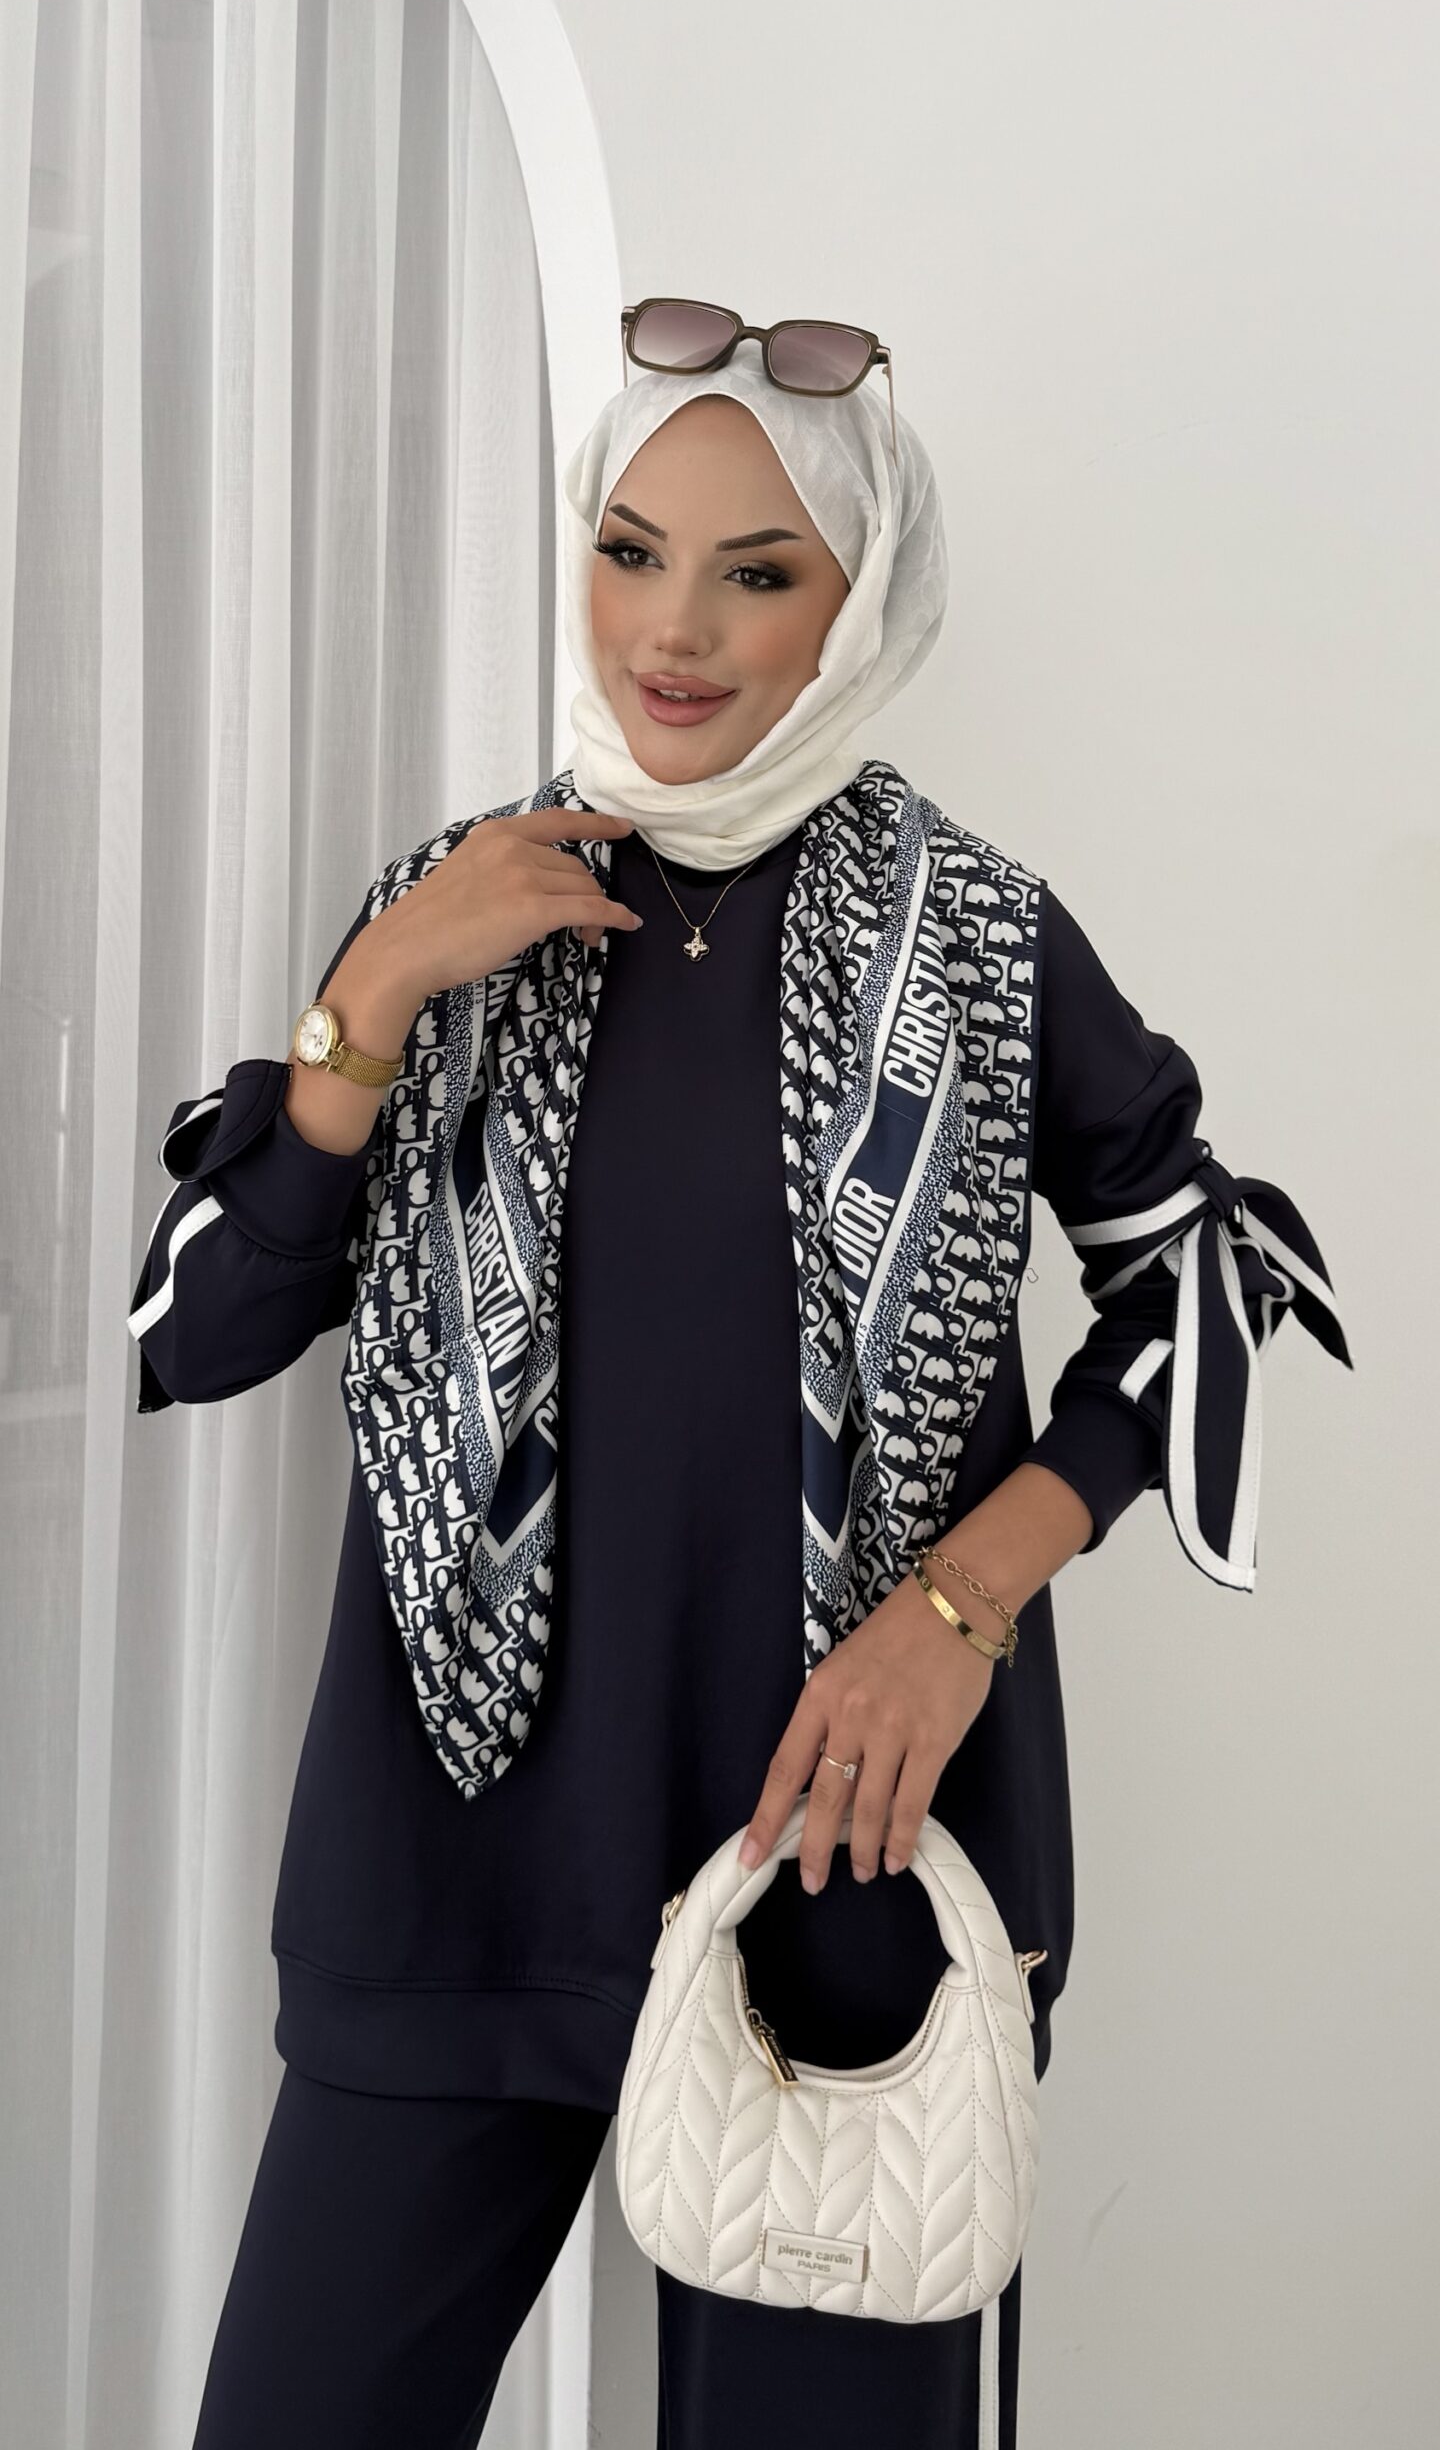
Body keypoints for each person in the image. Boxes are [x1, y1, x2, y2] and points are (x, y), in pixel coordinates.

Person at [128, 324, 1349, 2450]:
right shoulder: (453, 905)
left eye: (757, 572)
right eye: (630, 550)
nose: (673, 630)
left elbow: (1207, 1275)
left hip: (844, 1879)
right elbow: (198, 1327)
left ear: (858, 608)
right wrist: (375, 992)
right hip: (459, 1869)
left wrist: (961, 1603)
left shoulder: (981, 938)